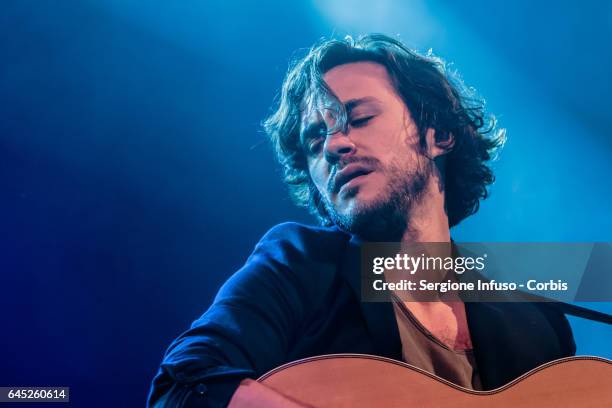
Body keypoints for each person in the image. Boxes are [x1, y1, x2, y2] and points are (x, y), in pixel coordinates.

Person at [147, 34, 575, 407]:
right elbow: (183, 386)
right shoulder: (300, 266)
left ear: (440, 134)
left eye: (360, 119)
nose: (334, 145)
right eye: (315, 140)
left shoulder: (537, 317)